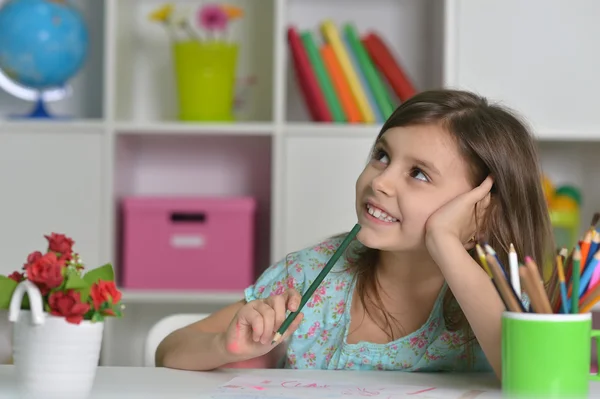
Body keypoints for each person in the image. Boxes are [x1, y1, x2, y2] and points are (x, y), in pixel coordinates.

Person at [155, 89, 555, 379]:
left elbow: (534, 377)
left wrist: (448, 243)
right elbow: (169, 351)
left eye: (418, 174)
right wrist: (225, 346)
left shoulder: (502, 294)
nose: (381, 181)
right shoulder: (312, 276)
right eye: (382, 155)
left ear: (479, 211)